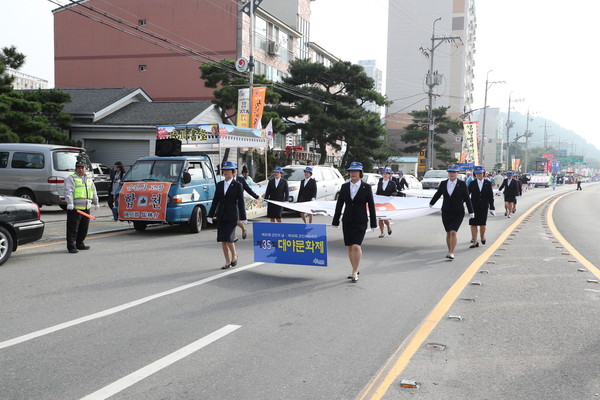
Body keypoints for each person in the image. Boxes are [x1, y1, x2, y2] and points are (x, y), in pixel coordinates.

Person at [332, 162, 377, 282]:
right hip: (347, 220)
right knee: (350, 247)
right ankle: (354, 268)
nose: (353, 173)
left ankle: (354, 271)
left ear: (360, 173)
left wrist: (373, 223)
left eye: (355, 171)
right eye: (351, 171)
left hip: (360, 221)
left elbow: (371, 206)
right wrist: (335, 220)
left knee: (357, 245)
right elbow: (339, 204)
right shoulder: (344, 187)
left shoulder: (366, 187)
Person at [207, 161, 247, 269]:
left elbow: (241, 202)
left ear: (233, 172)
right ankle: (227, 261)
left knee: (228, 238)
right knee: (223, 240)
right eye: (224, 170)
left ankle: (234, 254)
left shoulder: (238, 185)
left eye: (228, 170)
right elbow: (215, 200)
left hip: (232, 215)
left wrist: (243, 217)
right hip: (221, 216)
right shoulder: (219, 185)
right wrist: (210, 215)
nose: (226, 172)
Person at [429, 164, 474, 260]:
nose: (452, 174)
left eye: (454, 172)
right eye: (450, 172)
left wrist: (471, 211)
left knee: (453, 232)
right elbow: (438, 194)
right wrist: (431, 204)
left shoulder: (462, 184)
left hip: (458, 212)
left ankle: (452, 252)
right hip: (446, 211)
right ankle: (449, 250)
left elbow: (467, 198)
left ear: (457, 173)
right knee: (448, 232)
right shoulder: (443, 183)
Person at [64, 161, 100, 253]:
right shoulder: (71, 178)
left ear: (85, 169)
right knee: (73, 229)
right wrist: (70, 203)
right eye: (78, 167)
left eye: (82, 167)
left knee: (84, 228)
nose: (80, 169)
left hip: (86, 208)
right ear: (75, 168)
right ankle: (71, 246)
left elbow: (93, 191)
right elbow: (68, 191)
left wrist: (96, 203)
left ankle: (80, 243)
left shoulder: (88, 179)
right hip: (75, 208)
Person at [468, 166, 495, 248]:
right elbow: (466, 194)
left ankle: (482, 236)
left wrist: (492, 207)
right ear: (475, 174)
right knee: (473, 224)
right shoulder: (472, 183)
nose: (479, 175)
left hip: (483, 206)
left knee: (482, 224)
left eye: (480, 173)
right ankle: (475, 242)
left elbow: (490, 196)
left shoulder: (487, 183)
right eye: (477, 173)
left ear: (483, 174)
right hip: (473, 206)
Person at [232, 165, 260, 240]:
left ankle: (243, 229)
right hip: (230, 203)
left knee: (236, 220)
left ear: (236, 171)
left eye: (234, 170)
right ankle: (234, 236)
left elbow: (248, 189)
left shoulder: (240, 180)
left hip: (238, 202)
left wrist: (256, 196)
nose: (233, 172)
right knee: (232, 220)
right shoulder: (227, 181)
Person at [375, 168, 397, 238]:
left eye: (386, 174)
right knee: (380, 218)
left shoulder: (392, 183)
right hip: (380, 202)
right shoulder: (380, 182)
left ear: (389, 175)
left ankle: (388, 226)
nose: (385, 175)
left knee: (385, 218)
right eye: (383, 174)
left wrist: (392, 195)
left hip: (387, 202)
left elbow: (395, 191)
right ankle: (382, 233)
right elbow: (378, 192)